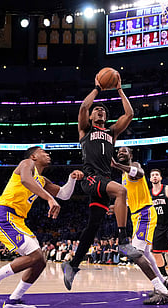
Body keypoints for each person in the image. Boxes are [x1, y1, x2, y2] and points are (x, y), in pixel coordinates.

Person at [0, 147, 83, 308]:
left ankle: (14, 300)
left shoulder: (43, 180)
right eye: (43, 152)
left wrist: (72, 179)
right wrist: (49, 198)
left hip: (18, 221)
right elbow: (26, 180)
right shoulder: (26, 163)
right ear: (34, 156)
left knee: (40, 261)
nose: (48, 154)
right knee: (34, 255)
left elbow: (64, 194)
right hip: (4, 216)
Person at [62, 71, 141, 291]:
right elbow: (82, 108)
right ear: (90, 117)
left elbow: (130, 114)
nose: (99, 111)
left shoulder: (111, 132)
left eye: (103, 111)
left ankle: (72, 265)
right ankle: (124, 240)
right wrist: (97, 88)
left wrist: (118, 89)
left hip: (103, 181)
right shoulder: (84, 130)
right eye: (97, 110)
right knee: (122, 192)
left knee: (92, 226)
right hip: (91, 177)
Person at [113, 146, 168, 304]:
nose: (120, 153)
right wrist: (115, 208)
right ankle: (163, 281)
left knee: (135, 253)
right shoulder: (124, 176)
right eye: (118, 152)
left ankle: (161, 290)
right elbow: (128, 199)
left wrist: (117, 165)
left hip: (144, 213)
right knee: (145, 253)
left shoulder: (136, 166)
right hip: (136, 215)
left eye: (124, 151)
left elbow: (139, 173)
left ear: (130, 155)